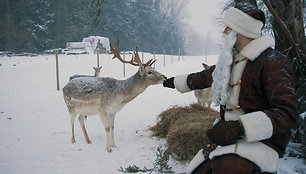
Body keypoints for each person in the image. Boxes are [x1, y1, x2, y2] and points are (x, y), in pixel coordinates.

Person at [163, 2, 298, 174]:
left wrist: (239, 127)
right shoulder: (230, 61)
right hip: (229, 138)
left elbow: (287, 113)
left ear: (240, 30)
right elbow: (205, 76)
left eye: (228, 27)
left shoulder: (273, 62)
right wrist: (175, 81)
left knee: (226, 169)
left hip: (261, 142)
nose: (224, 32)